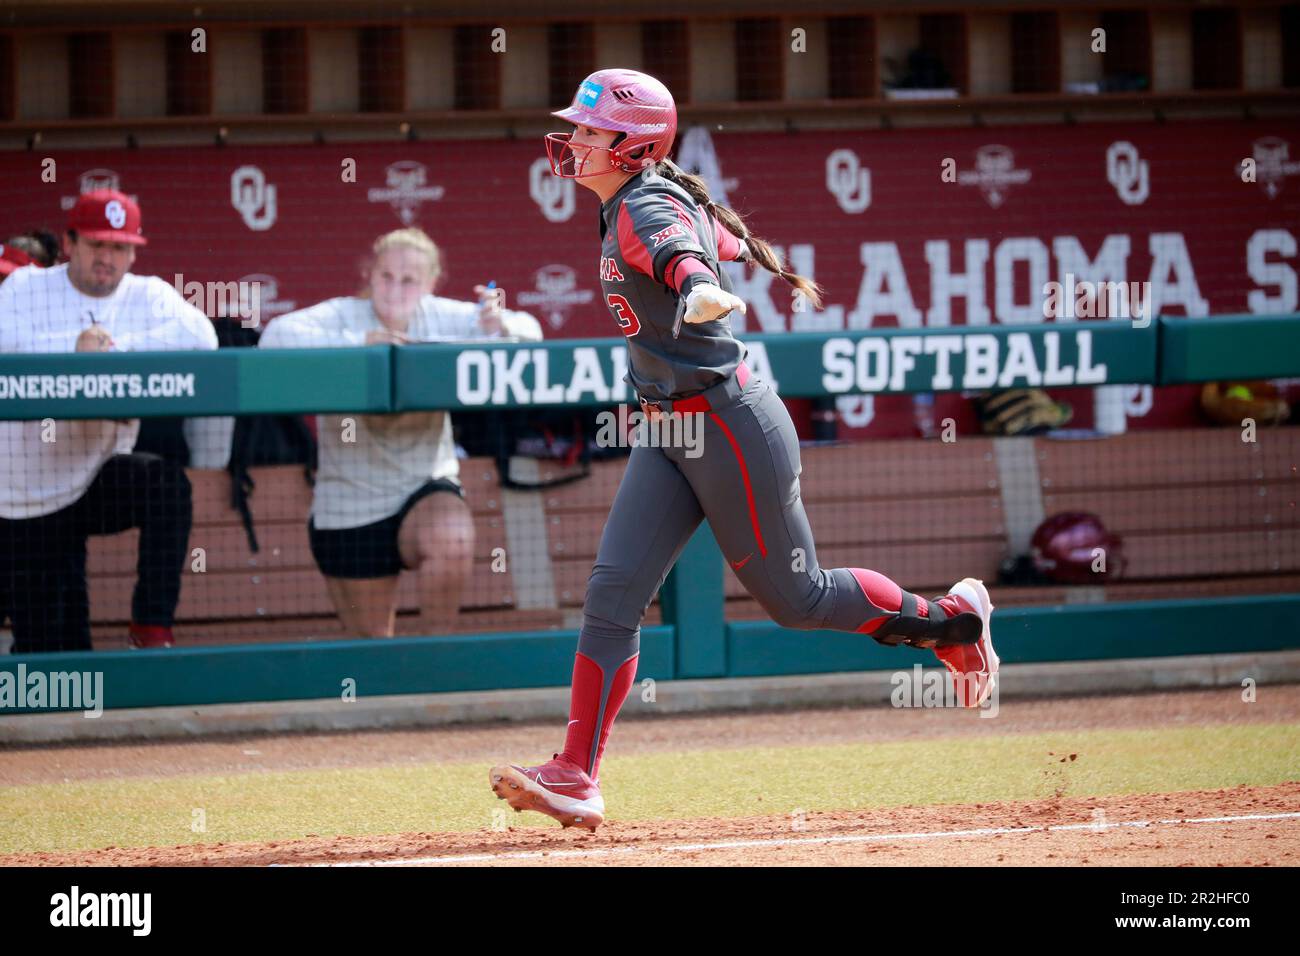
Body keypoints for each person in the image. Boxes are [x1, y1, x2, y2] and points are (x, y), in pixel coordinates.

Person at [489, 69, 1000, 829]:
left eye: (592, 130)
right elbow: (702, 237)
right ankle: (577, 775)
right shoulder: (649, 193)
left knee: (801, 602)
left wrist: (698, 282)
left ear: (634, 146)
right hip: (669, 427)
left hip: (729, 424)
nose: (575, 140)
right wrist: (710, 254)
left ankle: (955, 623)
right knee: (612, 595)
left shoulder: (645, 202)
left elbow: (678, 255)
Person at [259, 228, 543, 637]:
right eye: (385, 276)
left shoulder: (445, 315)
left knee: (452, 537)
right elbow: (274, 339)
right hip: (349, 505)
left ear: (429, 284)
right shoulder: (342, 315)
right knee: (375, 655)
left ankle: (437, 662)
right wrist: (361, 343)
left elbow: (530, 332)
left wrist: (499, 323)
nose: (394, 288)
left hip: (423, 487)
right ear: (369, 275)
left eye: (409, 279)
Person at [0, 189, 218, 652]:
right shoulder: (26, 288)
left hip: (95, 479)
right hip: (24, 498)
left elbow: (203, 340)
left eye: (120, 247)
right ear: (70, 242)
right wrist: (74, 347)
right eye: (97, 244)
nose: (108, 258)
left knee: (165, 486)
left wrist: (114, 346)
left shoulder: (148, 294)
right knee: (57, 663)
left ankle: (151, 627)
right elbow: (8, 344)